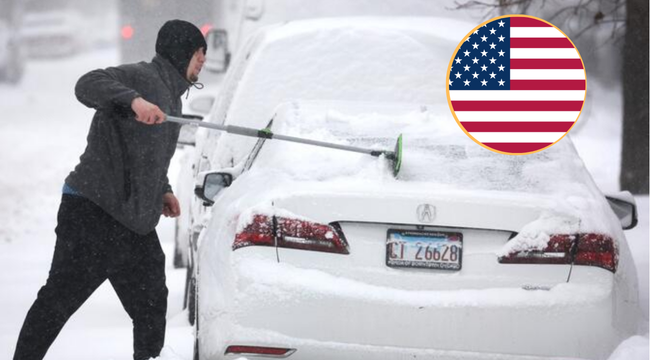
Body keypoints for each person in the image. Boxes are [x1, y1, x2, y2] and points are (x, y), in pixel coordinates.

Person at [12, 19, 207, 360]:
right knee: (58, 301)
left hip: (132, 224)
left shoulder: (173, 99)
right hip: (93, 212)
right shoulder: (141, 77)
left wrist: (163, 189)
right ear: (181, 53)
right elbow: (87, 84)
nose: (202, 61)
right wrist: (134, 102)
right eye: (198, 53)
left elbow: (149, 156)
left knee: (151, 304)